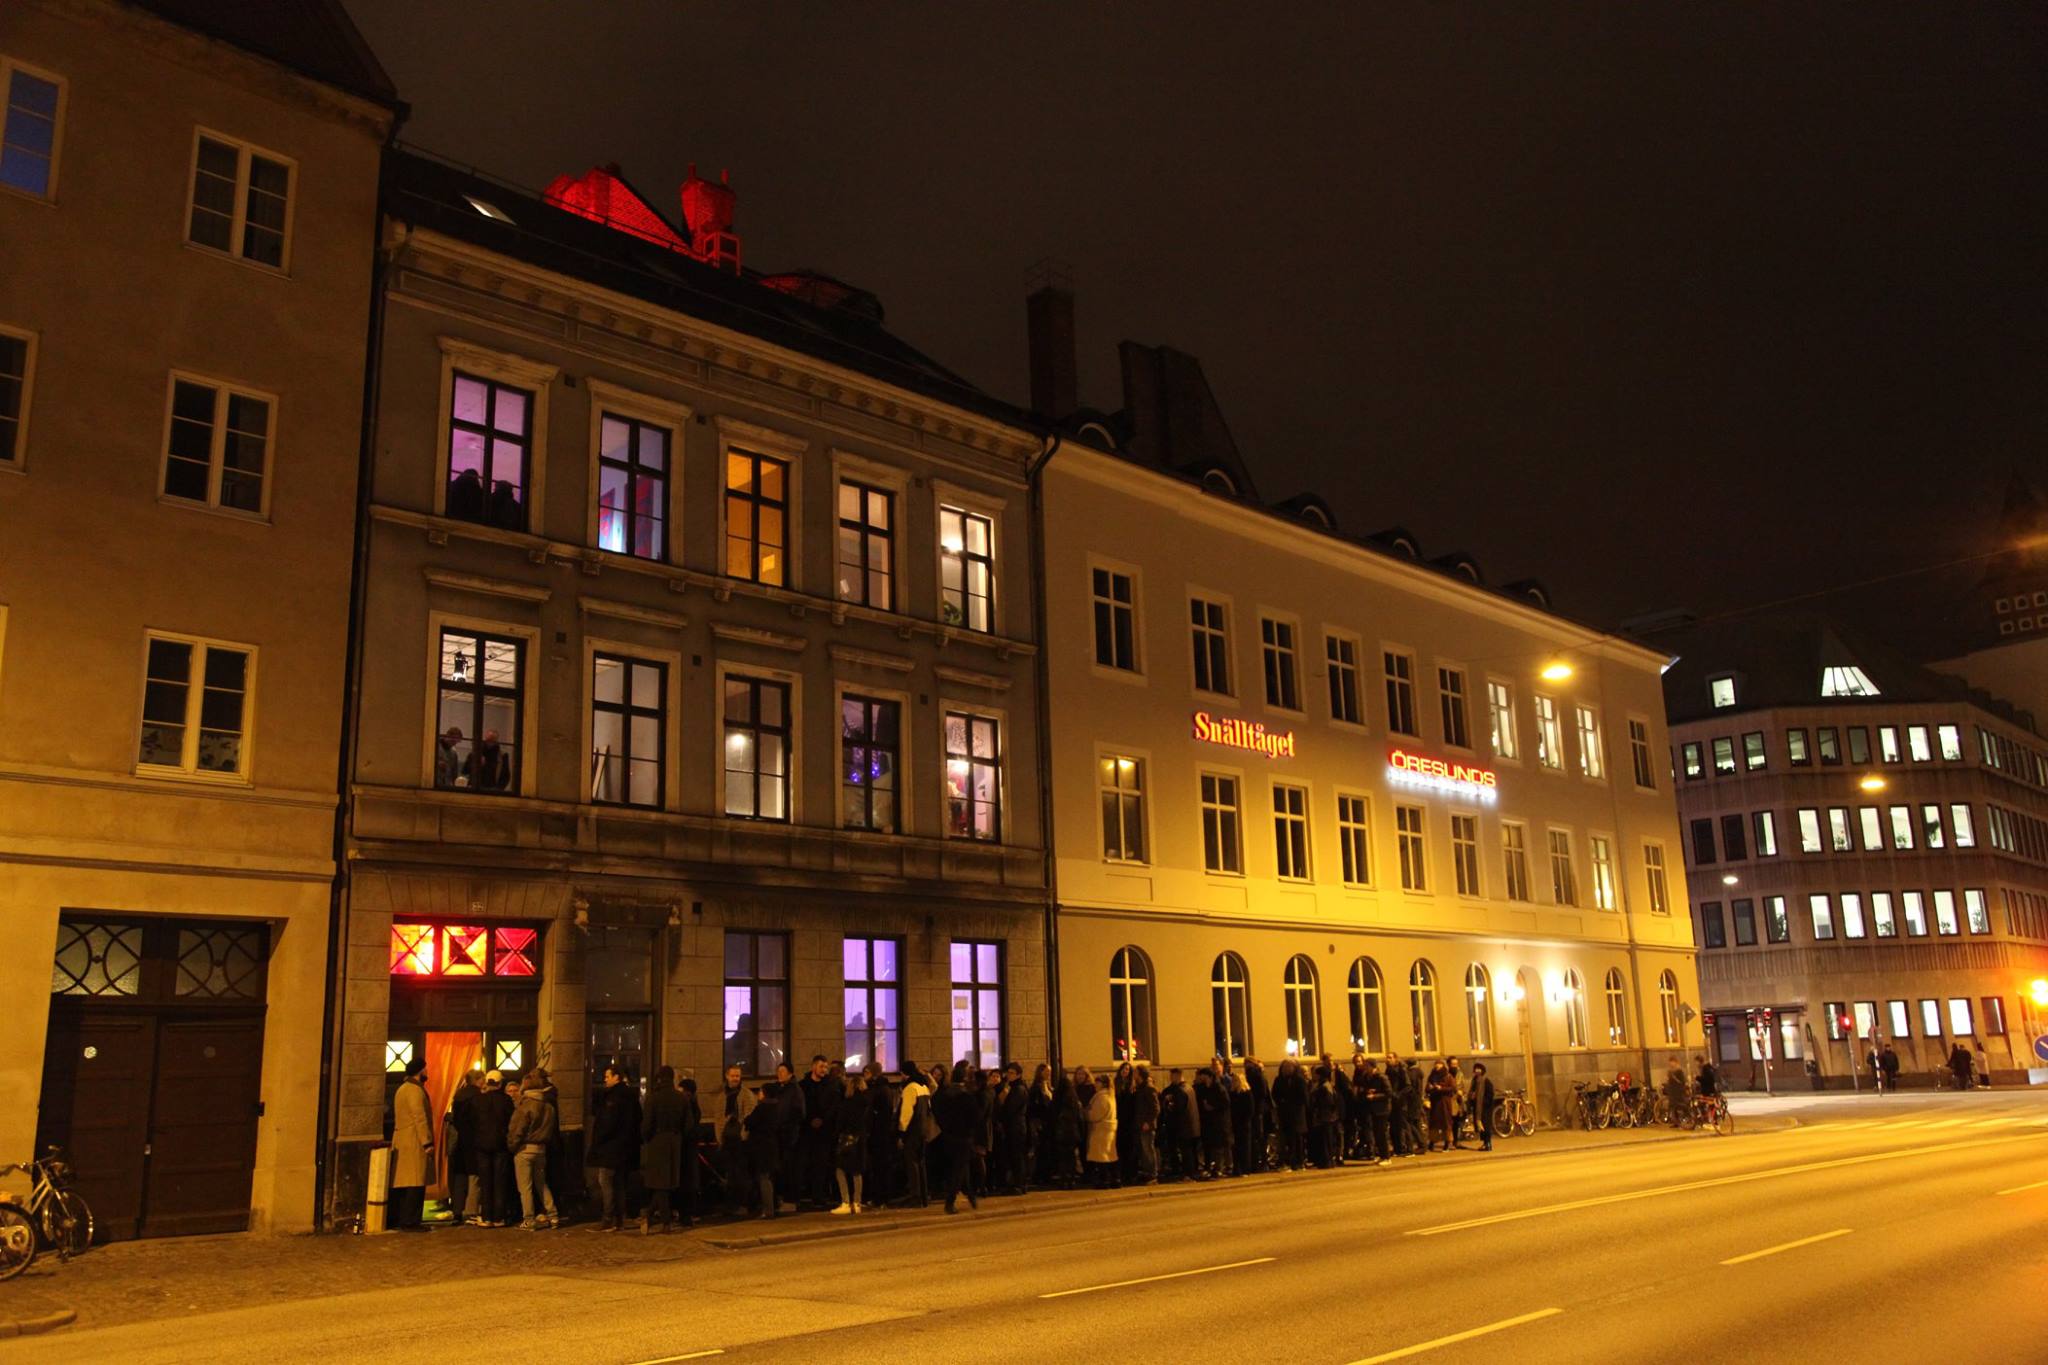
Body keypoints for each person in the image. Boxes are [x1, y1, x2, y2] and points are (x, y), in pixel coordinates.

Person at [639, 1065, 697, 1232]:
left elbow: (646, 1125)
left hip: (658, 1141)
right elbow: (689, 1125)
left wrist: (647, 1138)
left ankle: (663, 1222)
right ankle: (653, 1217)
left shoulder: (653, 1098)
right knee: (667, 1183)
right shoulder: (681, 1098)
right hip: (675, 1141)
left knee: (660, 1184)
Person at [586, 1064, 642, 1231]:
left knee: (605, 1180)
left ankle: (608, 1218)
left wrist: (598, 1141)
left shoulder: (613, 1098)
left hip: (611, 1148)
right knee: (619, 1182)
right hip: (626, 1148)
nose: (605, 1079)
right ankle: (620, 1217)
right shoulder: (631, 1096)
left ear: (616, 1077)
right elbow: (638, 1118)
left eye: (607, 1076)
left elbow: (607, 1124)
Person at [507, 1068, 559, 1229]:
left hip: (525, 1149)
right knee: (541, 1183)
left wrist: (512, 1146)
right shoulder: (548, 1106)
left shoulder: (525, 1106)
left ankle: (529, 1219)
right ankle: (553, 1214)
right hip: (541, 1148)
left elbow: (517, 1130)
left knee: (525, 1187)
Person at [389, 1058, 433, 1231]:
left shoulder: (403, 1089)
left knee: (406, 1182)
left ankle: (404, 1218)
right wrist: (427, 1141)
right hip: (413, 1140)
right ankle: (410, 1221)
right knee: (415, 1181)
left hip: (404, 1139)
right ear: (420, 1071)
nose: (427, 1072)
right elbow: (419, 1117)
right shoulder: (414, 1090)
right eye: (426, 1069)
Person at [468, 1070, 513, 1227]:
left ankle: (486, 1216)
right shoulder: (506, 1101)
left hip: (481, 1144)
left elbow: (472, 1121)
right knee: (499, 1181)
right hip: (500, 1144)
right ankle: (498, 1216)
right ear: (500, 1084)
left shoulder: (478, 1100)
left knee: (485, 1181)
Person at [936, 1062, 982, 1213]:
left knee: (960, 1167)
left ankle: (970, 1195)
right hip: (963, 1137)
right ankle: (950, 1202)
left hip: (948, 1136)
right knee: (959, 1168)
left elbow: (938, 1113)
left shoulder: (944, 1095)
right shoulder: (966, 1096)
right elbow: (975, 1118)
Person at [714, 1063, 757, 1216]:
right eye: (732, 1076)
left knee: (741, 1175)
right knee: (731, 1174)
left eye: (737, 1076)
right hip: (727, 1141)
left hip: (740, 1142)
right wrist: (720, 1139)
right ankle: (732, 1204)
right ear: (727, 1076)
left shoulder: (746, 1095)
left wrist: (744, 1137)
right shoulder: (722, 1096)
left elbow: (749, 1117)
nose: (735, 1079)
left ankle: (742, 1204)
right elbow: (718, 1118)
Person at [798, 1055, 839, 1210]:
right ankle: (807, 1193)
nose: (824, 1070)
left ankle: (819, 1195)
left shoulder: (831, 1085)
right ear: (813, 1066)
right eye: (821, 1066)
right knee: (806, 1163)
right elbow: (801, 1106)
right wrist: (809, 1120)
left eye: (826, 1067)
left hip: (824, 1132)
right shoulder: (804, 1085)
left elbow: (833, 1106)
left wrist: (822, 1119)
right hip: (807, 1131)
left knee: (821, 1164)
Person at [832, 1069, 873, 1214]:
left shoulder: (847, 1104)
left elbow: (840, 1123)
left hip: (847, 1139)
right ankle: (857, 1203)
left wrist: (836, 1135)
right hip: (861, 1139)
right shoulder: (867, 1103)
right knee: (857, 1172)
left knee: (840, 1169)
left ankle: (845, 1201)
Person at [446, 1068, 482, 1224]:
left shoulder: (458, 1096)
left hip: (459, 1143)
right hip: (473, 1142)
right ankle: (471, 1211)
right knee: (474, 1177)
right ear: (478, 1080)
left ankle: (457, 1211)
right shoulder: (478, 1097)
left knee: (459, 1178)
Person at [896, 1058, 933, 1208]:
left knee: (912, 1163)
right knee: (921, 1162)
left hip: (913, 1131)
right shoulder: (923, 1087)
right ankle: (924, 1195)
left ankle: (915, 1196)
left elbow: (906, 1113)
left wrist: (901, 1132)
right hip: (923, 1130)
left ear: (905, 1073)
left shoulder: (910, 1088)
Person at [997, 1063, 1030, 1193]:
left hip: (1015, 1127)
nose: (1008, 1075)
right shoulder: (1013, 1087)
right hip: (1014, 1126)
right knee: (1014, 1156)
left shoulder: (1018, 1089)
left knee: (1017, 1156)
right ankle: (1018, 1183)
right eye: (1008, 1072)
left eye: (1011, 1073)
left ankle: (1019, 1184)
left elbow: (1010, 1109)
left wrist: (1002, 1103)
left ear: (1018, 1075)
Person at [1084, 1070, 1120, 1188]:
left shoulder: (1102, 1098)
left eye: (1097, 1082)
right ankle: (1114, 1179)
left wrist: (1086, 1112)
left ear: (1103, 1084)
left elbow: (1096, 1115)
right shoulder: (1109, 1096)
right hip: (1107, 1129)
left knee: (1102, 1157)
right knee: (1110, 1156)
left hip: (1101, 1130)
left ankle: (1104, 1181)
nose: (1095, 1084)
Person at [1046, 1072, 1083, 1188]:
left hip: (1061, 1132)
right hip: (1072, 1132)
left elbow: (1052, 1115)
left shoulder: (1058, 1099)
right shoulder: (1073, 1099)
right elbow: (1079, 1117)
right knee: (1071, 1156)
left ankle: (1064, 1179)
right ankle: (1071, 1179)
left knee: (1062, 1157)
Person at [1159, 1069, 1196, 1181]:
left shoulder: (1181, 1090)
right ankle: (1182, 1171)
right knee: (1179, 1149)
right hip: (1180, 1124)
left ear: (1178, 1076)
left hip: (1181, 1125)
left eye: (1173, 1076)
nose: (1171, 1078)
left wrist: (1170, 1106)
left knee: (1184, 1149)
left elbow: (1179, 1108)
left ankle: (1187, 1173)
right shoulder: (1184, 1089)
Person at [1271, 1059, 1308, 1170]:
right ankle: (1287, 1161)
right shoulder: (1279, 1080)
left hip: (1296, 1114)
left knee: (1297, 1139)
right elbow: (1275, 1094)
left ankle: (1299, 1161)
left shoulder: (1299, 1080)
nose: (1286, 1069)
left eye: (1288, 1067)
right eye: (1284, 1067)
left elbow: (1303, 1097)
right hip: (1284, 1113)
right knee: (1285, 1139)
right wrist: (1281, 1102)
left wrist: (1292, 1102)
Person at [1357, 1058, 1393, 1165]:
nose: (1365, 1067)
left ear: (1372, 1066)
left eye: (1367, 1066)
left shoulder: (1381, 1077)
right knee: (1377, 1133)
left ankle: (1387, 1157)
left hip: (1382, 1109)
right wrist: (1368, 1091)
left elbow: (1388, 1093)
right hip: (1373, 1109)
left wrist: (1375, 1095)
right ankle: (1381, 1155)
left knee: (1382, 1133)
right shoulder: (1368, 1077)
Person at [1129, 1065, 1161, 1184]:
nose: (1134, 1074)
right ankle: (1147, 1172)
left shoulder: (1148, 1088)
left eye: (1136, 1072)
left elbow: (1155, 1108)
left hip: (1147, 1125)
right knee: (1144, 1150)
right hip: (1140, 1123)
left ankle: (1153, 1174)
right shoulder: (1140, 1088)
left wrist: (1149, 1122)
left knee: (1148, 1149)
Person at [1424, 1061, 1455, 1152]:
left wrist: (1441, 1088)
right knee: (1434, 1123)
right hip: (1435, 1101)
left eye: (1439, 1064)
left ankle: (1447, 1143)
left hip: (1444, 1102)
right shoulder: (1432, 1076)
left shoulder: (1448, 1076)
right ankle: (1432, 1142)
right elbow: (1427, 1088)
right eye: (1436, 1064)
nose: (1437, 1066)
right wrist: (1429, 1088)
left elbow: (1453, 1088)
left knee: (1446, 1123)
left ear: (1443, 1066)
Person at [1468, 1062, 1498, 1152]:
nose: (1477, 1071)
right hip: (1478, 1107)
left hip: (1485, 1108)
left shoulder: (1486, 1081)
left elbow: (1490, 1094)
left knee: (1486, 1126)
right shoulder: (1474, 1080)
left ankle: (1488, 1144)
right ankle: (1485, 1143)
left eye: (1479, 1069)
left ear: (1482, 1070)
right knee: (1481, 1126)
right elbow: (1472, 1092)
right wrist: (1472, 1097)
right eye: (1476, 1069)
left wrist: (1484, 1102)